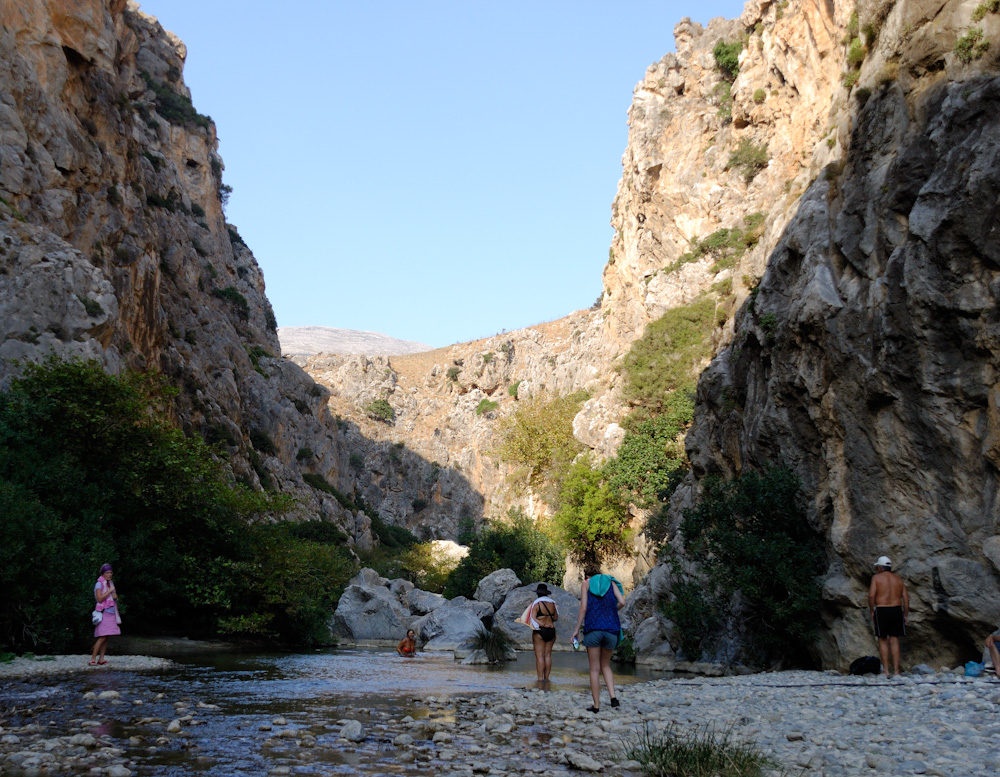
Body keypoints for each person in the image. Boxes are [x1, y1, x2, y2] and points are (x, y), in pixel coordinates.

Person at [570, 565, 626, 712]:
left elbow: (583, 608)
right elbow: (622, 602)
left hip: (593, 629)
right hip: (611, 629)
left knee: (594, 669)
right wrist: (611, 611)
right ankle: (613, 697)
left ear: (587, 575)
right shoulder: (611, 582)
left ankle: (596, 706)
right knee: (606, 665)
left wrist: (576, 630)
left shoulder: (586, 584)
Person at [868, 555, 909, 677]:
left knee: (882, 639)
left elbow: (871, 596)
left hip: (882, 609)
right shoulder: (898, 579)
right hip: (896, 610)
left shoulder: (876, 578)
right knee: (895, 639)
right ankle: (896, 671)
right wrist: (905, 614)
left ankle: (886, 671)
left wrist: (872, 610)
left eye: (877, 567)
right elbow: (906, 599)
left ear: (880, 567)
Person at [527, 583, 559, 682]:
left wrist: (542, 623)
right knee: (548, 655)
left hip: (540, 631)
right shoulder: (553, 604)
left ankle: (540, 680)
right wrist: (548, 620)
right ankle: (547, 679)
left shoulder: (536, 604)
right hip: (551, 630)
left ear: (538, 593)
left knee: (540, 655)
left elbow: (532, 617)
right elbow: (556, 618)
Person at [90, 564, 120, 665]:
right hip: (104, 612)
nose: (109, 574)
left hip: (111, 612)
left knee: (107, 636)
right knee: (102, 636)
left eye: (111, 572)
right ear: (103, 573)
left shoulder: (109, 583)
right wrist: (109, 591)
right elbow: (99, 598)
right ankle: (93, 659)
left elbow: (113, 597)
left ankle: (101, 659)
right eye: (107, 572)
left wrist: (115, 596)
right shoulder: (99, 584)